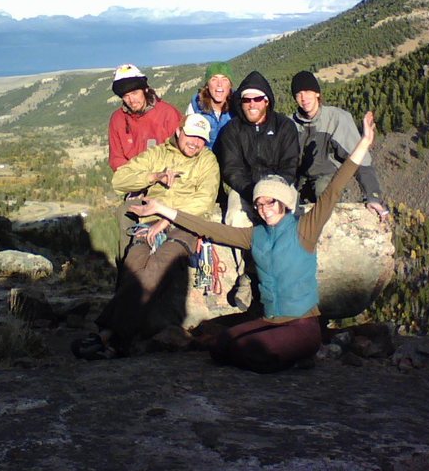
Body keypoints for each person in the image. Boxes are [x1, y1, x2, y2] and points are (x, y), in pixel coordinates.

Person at [129, 111, 379, 373]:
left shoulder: (305, 228)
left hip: (302, 324)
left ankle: (298, 353)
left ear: (283, 203)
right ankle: (285, 355)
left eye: (271, 202)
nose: (264, 208)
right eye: (259, 204)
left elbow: (333, 190)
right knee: (220, 345)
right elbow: (210, 228)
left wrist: (363, 142)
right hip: (270, 322)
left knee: (256, 351)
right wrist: (162, 209)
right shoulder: (254, 235)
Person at [74, 114, 220, 359]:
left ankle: (108, 335)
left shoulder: (207, 161)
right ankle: (118, 341)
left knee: (160, 264)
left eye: (201, 139)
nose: (195, 143)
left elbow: (204, 200)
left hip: (184, 224)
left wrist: (167, 217)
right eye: (192, 135)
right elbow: (119, 179)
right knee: (134, 263)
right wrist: (155, 176)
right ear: (179, 132)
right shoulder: (158, 155)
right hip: (149, 222)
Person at [291, 70, 388, 220]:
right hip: (299, 179)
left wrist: (372, 196)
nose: (304, 98)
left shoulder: (337, 119)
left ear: (317, 93)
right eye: (298, 94)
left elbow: (360, 159)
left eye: (308, 91)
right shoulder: (290, 125)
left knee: (322, 190)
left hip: (327, 177)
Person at [215, 70, 300, 228]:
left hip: (280, 186)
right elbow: (231, 168)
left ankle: (285, 251)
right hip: (244, 189)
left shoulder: (284, 126)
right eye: (247, 100)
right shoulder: (231, 130)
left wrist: (272, 192)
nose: (252, 104)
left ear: (266, 101)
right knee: (235, 219)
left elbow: (290, 164)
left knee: (289, 217)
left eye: (258, 98)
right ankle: (248, 252)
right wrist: (254, 192)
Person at [108, 63, 182, 171]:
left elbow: (179, 151)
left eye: (135, 93)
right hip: (133, 178)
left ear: (145, 90)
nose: (131, 100)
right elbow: (116, 157)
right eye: (126, 96)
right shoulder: (117, 119)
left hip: (164, 176)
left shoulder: (167, 113)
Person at [186, 61, 234, 150]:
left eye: (224, 79)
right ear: (207, 85)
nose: (219, 84)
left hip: (231, 160)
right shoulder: (196, 106)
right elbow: (186, 138)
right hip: (204, 160)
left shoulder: (238, 107)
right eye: (214, 79)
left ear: (230, 85)